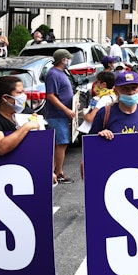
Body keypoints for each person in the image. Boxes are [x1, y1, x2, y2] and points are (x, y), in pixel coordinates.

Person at [0, 75, 43, 157]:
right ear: (5, 98)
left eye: (23, 91)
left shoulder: (27, 112)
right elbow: (0, 148)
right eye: (19, 92)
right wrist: (26, 127)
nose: (24, 95)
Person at [90, 70, 138, 138]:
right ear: (116, 91)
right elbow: (91, 144)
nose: (130, 92)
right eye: (125, 88)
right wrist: (101, 135)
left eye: (134, 88)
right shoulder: (104, 114)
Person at [44, 48, 76, 184]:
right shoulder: (53, 74)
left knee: (61, 144)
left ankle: (54, 172)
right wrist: (66, 109)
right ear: (63, 60)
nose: (69, 61)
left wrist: (73, 105)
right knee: (61, 143)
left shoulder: (61, 73)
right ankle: (58, 173)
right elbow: (51, 96)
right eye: (68, 59)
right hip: (57, 115)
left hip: (62, 114)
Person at [78, 71, 117, 139]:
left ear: (103, 84)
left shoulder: (104, 99)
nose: (95, 85)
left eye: (97, 82)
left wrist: (83, 113)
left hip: (98, 133)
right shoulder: (113, 96)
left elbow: (90, 118)